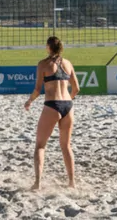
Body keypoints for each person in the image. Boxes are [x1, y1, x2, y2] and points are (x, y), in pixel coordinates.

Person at [24, 36, 80, 191]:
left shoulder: (43, 64)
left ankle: (37, 183)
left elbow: (37, 90)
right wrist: (68, 99)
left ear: (48, 47)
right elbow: (76, 88)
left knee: (40, 146)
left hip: (52, 105)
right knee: (66, 146)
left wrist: (29, 101)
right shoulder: (68, 63)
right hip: (68, 106)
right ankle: (71, 182)